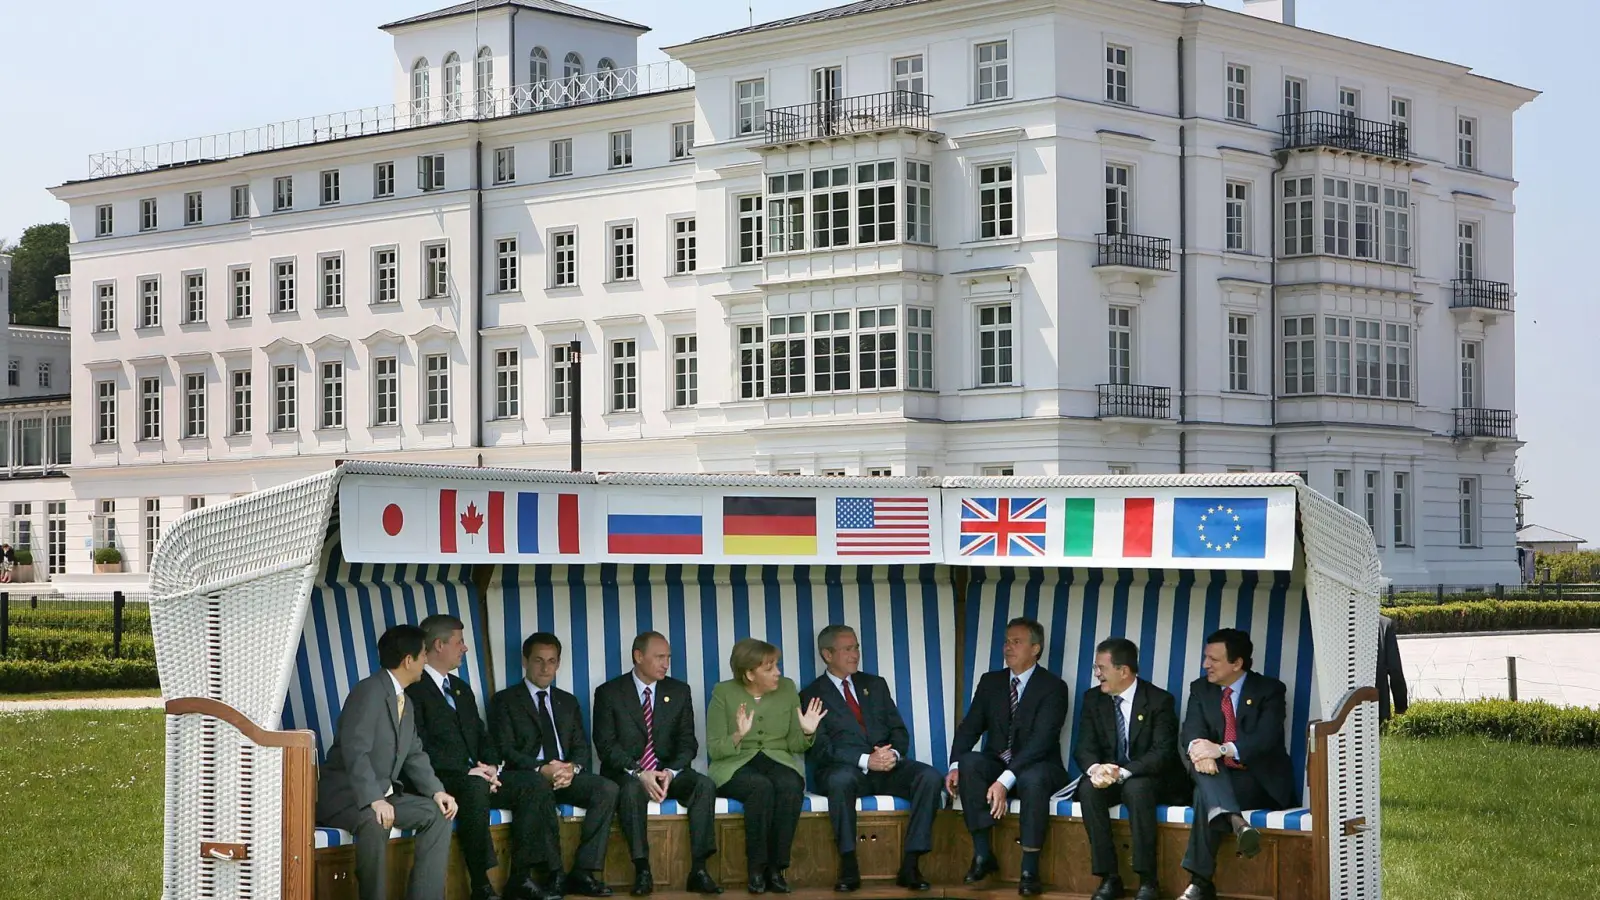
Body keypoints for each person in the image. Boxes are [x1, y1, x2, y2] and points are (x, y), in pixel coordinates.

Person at [407, 614, 559, 900]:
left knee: (533, 783)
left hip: (477, 777)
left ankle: (520, 878)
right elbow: (418, 746)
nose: (465, 648)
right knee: (474, 788)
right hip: (440, 781)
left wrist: (490, 766)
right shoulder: (414, 689)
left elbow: (482, 735)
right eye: (460, 642)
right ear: (439, 645)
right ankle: (481, 885)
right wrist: (469, 773)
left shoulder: (461, 688)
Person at [315, 623, 459, 900]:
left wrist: (437, 791)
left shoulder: (405, 700)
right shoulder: (368, 692)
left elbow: (415, 753)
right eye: (422, 656)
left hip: (382, 795)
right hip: (345, 797)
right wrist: (373, 799)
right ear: (408, 660)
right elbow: (355, 750)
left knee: (438, 813)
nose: (426, 661)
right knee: (375, 819)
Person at [800, 624, 941, 893]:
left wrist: (893, 754)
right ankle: (848, 864)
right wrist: (866, 759)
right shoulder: (812, 694)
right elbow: (821, 749)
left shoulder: (875, 684)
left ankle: (911, 863)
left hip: (887, 767)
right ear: (827, 655)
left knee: (930, 777)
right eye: (847, 649)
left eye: (856, 648)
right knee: (840, 781)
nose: (855, 655)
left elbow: (899, 730)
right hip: (846, 770)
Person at [945, 617, 1070, 897]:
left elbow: (1042, 741)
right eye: (1006, 641)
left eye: (1017, 642)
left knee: (1033, 780)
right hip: (997, 760)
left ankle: (1029, 868)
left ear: (1036, 649)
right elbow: (969, 727)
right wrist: (954, 766)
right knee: (970, 764)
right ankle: (982, 856)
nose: (1008, 648)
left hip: (1040, 764)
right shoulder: (991, 682)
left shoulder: (1053, 687)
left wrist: (1004, 781)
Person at [591, 631, 722, 896]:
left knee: (704, 786)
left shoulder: (679, 691)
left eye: (668, 657)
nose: (666, 663)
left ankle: (698, 869)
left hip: (667, 772)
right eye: (659, 657)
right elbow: (606, 746)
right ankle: (642, 870)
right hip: (629, 773)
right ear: (638, 657)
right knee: (629, 791)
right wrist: (640, 773)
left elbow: (688, 743)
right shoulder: (609, 692)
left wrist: (670, 772)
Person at [490, 633, 618, 898]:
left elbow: (581, 747)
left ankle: (583, 871)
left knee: (607, 788)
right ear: (525, 661)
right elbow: (504, 749)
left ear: (558, 663)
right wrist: (540, 769)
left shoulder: (567, 701)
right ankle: (555, 873)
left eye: (552, 661)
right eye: (538, 660)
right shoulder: (505, 700)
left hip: (564, 775)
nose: (546, 668)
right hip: (528, 778)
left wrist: (572, 769)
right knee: (538, 787)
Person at [1176, 629, 1297, 900]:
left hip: (1257, 779)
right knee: (1203, 775)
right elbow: (1190, 731)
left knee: (1203, 793)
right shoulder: (1200, 688)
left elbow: (1266, 739)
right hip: (1215, 773)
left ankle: (1200, 882)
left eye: (1213, 659)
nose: (1206, 664)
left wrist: (1219, 749)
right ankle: (1237, 822)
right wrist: (1201, 750)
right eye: (1205, 658)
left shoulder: (1270, 690)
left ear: (1237, 663)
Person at [706, 637, 826, 895]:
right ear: (749, 673)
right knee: (759, 788)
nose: (778, 673)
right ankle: (756, 868)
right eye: (770, 668)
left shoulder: (787, 688)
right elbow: (714, 748)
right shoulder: (723, 692)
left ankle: (776, 868)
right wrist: (738, 734)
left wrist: (807, 731)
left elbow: (795, 745)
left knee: (790, 785)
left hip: (777, 759)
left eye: (777, 665)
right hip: (735, 763)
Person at [1072, 638, 1185, 900]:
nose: (1097, 674)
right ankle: (1108, 877)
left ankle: (1148, 880)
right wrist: (1096, 769)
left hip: (1155, 778)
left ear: (1124, 671)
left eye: (1101, 668)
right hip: (1111, 776)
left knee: (1137, 787)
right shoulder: (1093, 699)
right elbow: (1083, 747)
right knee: (1088, 789)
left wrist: (1122, 773)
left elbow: (1163, 753)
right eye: (1095, 667)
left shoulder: (1159, 700)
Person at [1376, 615, 1409, 723]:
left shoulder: (1336, 622)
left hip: (1340, 710)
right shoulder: (1384, 624)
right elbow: (1395, 669)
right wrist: (1400, 706)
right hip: (1378, 706)